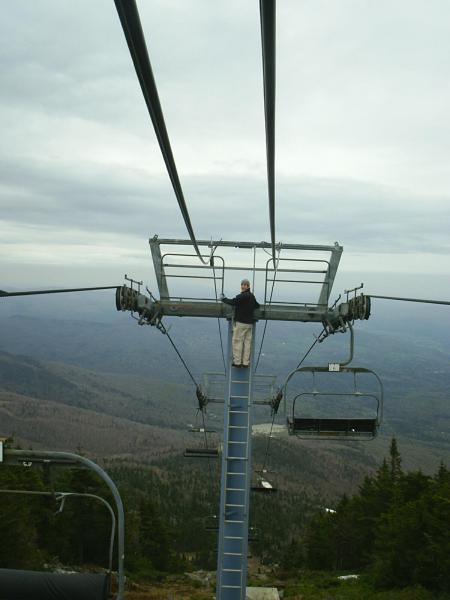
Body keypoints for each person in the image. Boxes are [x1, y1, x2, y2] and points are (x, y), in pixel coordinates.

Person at [221, 279, 260, 368]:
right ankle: (246, 363)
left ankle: (237, 362)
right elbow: (257, 305)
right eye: (242, 284)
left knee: (237, 341)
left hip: (241, 323)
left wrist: (223, 299)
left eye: (245, 285)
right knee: (247, 343)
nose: (243, 286)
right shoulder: (252, 296)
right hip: (249, 324)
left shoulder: (242, 296)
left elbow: (233, 302)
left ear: (248, 286)